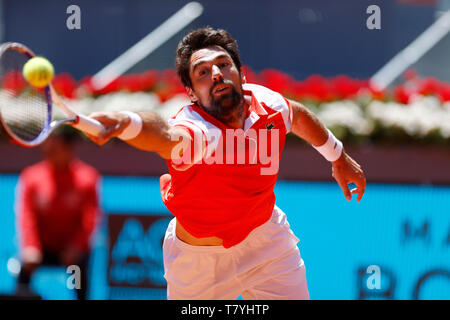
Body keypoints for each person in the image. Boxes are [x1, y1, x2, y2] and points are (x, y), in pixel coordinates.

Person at [84, 27, 366, 300]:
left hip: (266, 242)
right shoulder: (195, 129)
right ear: (192, 93)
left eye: (223, 64)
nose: (216, 74)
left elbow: (299, 116)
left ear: (241, 75)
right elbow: (166, 137)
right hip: (200, 265)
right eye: (202, 72)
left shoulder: (269, 105)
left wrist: (337, 156)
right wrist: (126, 122)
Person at [15, 128, 101, 300]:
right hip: (41, 249)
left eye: (55, 147)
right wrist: (31, 247)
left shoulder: (88, 178)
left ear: (70, 149)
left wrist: (76, 247)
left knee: (78, 275)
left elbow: (90, 218)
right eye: (47, 146)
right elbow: (26, 216)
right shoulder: (31, 177)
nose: (48, 151)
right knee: (24, 270)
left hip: (72, 252)